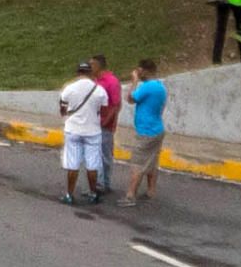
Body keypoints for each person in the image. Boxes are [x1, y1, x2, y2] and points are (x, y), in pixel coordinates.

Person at [58, 65, 113, 205]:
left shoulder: (69, 89)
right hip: (93, 131)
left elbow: (63, 111)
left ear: (77, 73)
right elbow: (104, 110)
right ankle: (93, 193)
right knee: (92, 164)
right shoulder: (100, 90)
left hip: (73, 130)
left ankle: (69, 195)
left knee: (73, 164)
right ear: (90, 73)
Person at [123, 58, 172, 201]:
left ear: (144, 70)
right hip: (157, 128)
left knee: (138, 163)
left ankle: (131, 194)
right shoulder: (160, 87)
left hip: (146, 131)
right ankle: (151, 191)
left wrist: (134, 81)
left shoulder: (147, 86)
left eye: (139, 70)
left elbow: (130, 99)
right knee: (152, 162)